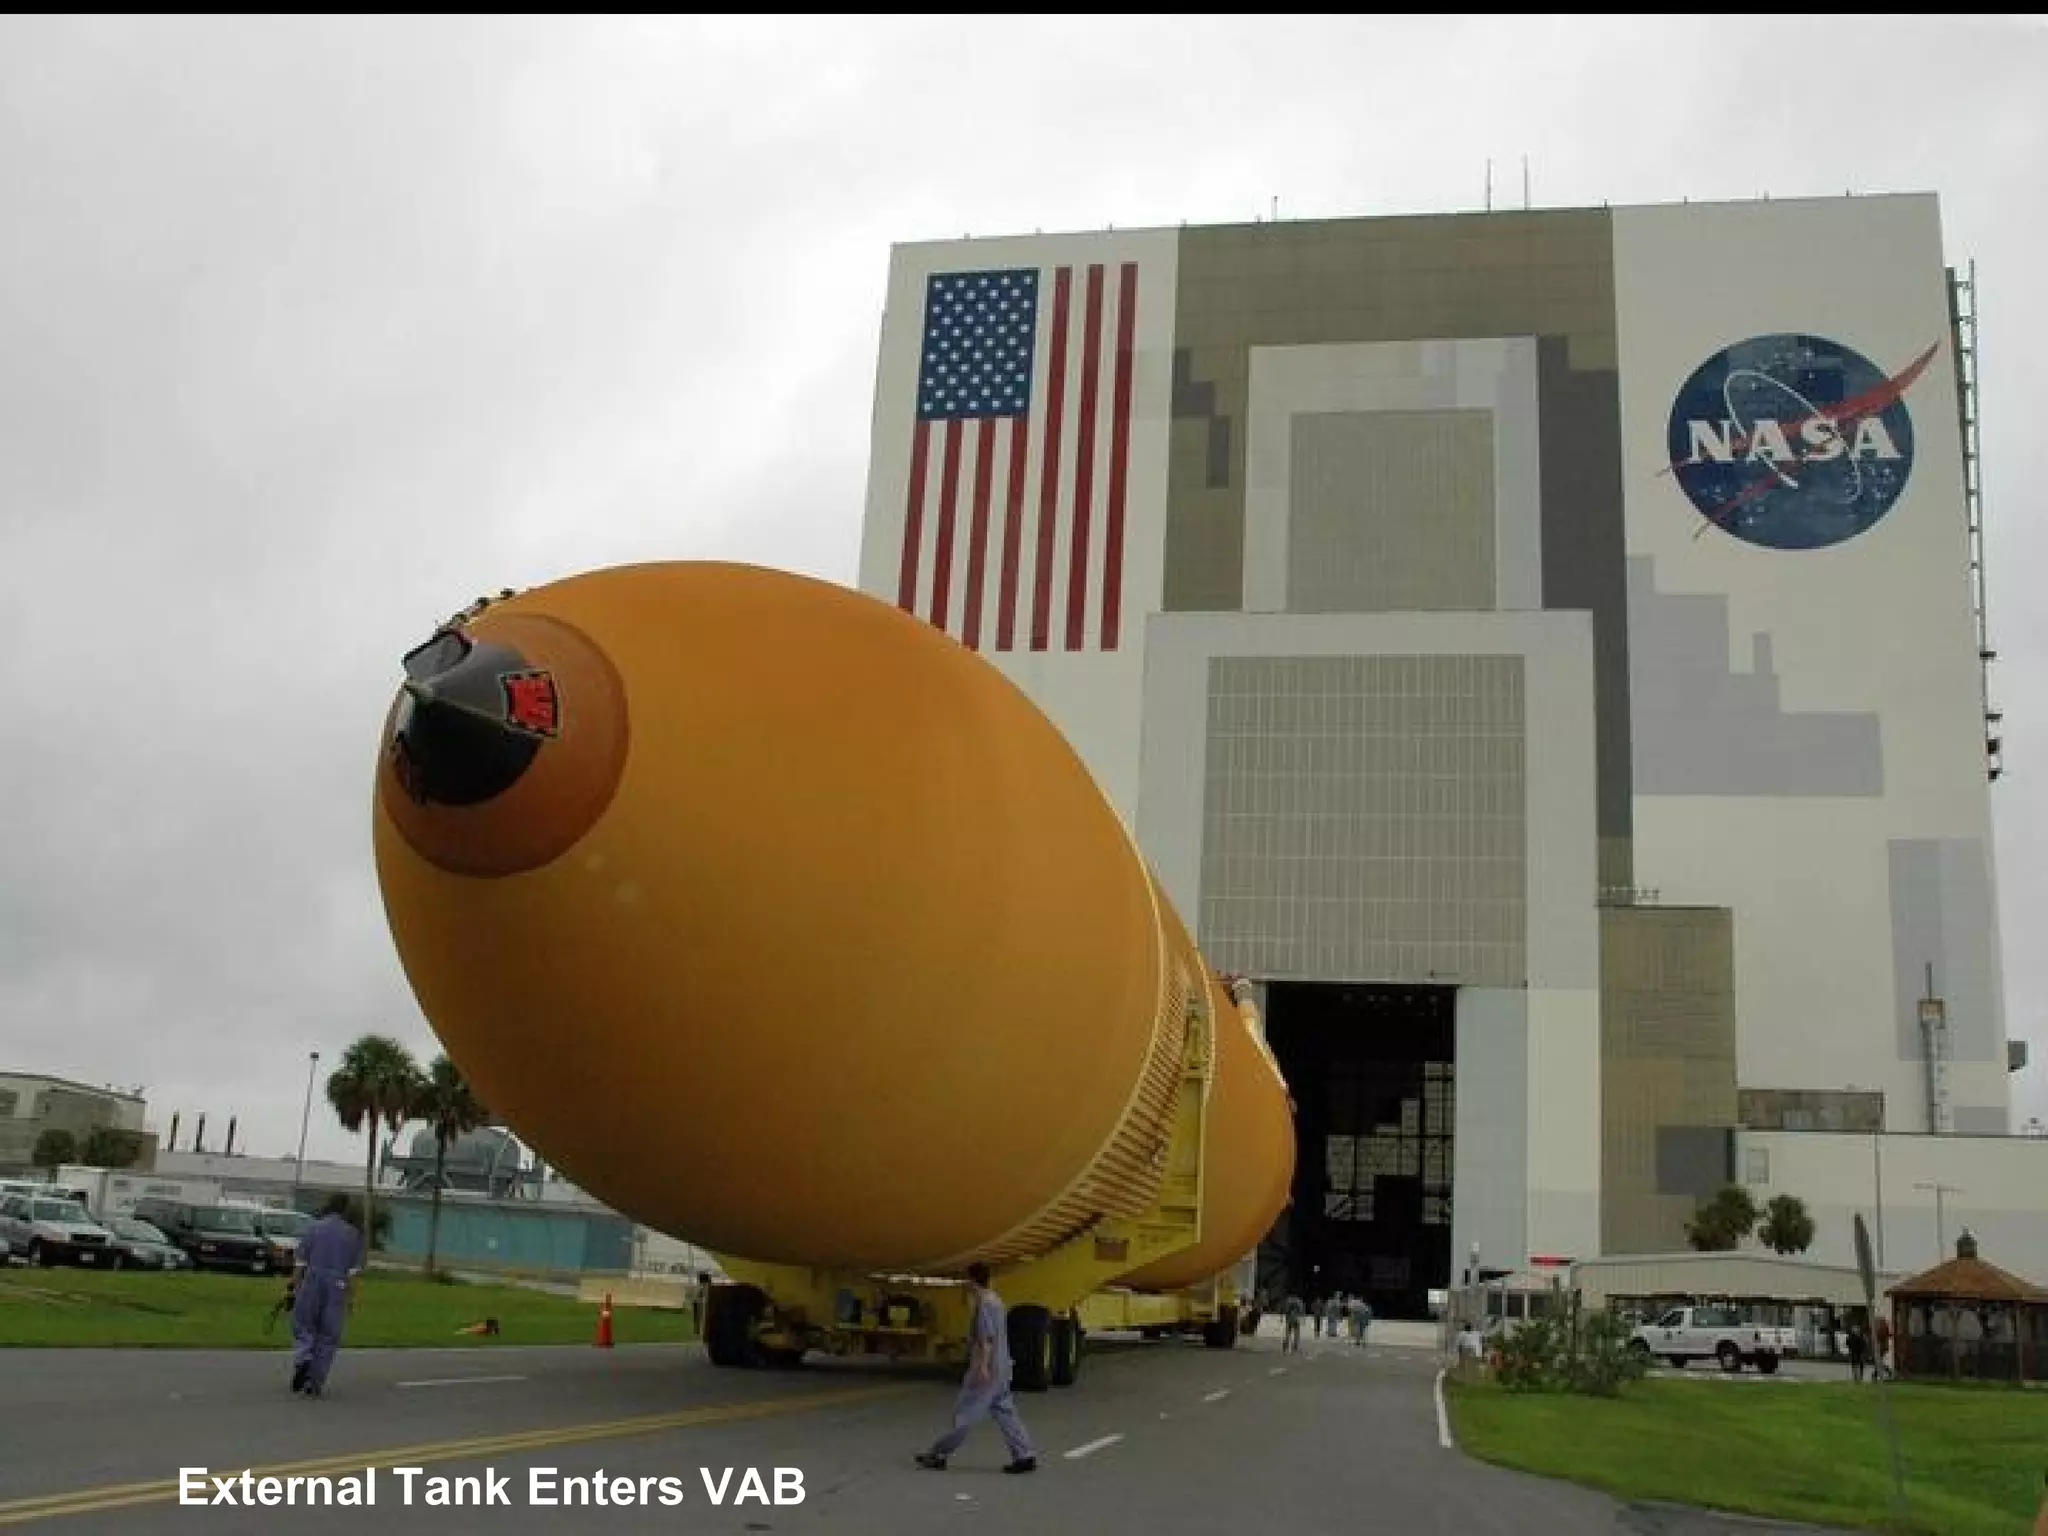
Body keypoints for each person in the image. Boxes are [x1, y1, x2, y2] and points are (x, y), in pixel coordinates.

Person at [915, 1263, 1036, 1474]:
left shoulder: (984, 1304)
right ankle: (1024, 1455)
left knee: (965, 1412)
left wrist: (982, 1366)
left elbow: (986, 1338)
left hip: (988, 1367)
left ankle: (939, 1454)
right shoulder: (997, 1300)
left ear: (972, 1280)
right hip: (1003, 1365)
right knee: (1005, 1410)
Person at [289, 1192, 364, 1398]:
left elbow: (300, 1262)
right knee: (329, 1334)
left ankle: (304, 1357)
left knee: (302, 1322)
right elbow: (354, 1272)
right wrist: (352, 1298)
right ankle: (315, 1380)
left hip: (312, 1279)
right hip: (337, 1284)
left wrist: (293, 1284)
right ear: (345, 1209)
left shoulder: (313, 1228)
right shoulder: (352, 1234)